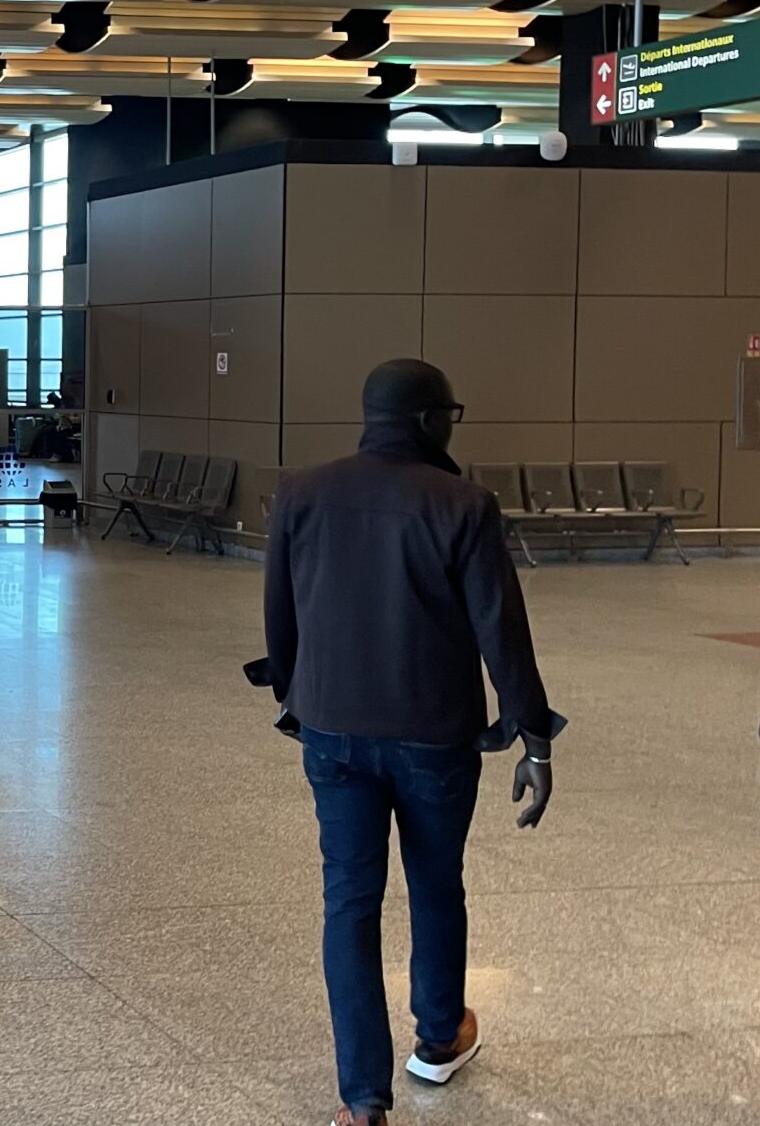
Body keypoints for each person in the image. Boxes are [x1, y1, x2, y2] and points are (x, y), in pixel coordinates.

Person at [255, 358, 564, 1126]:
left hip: (331, 729)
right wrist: (533, 736)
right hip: (434, 736)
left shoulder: (302, 491)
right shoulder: (463, 505)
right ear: (430, 421)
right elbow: (502, 632)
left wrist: (297, 695)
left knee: (349, 902)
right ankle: (438, 1036)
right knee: (434, 883)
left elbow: (280, 612)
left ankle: (362, 1101)